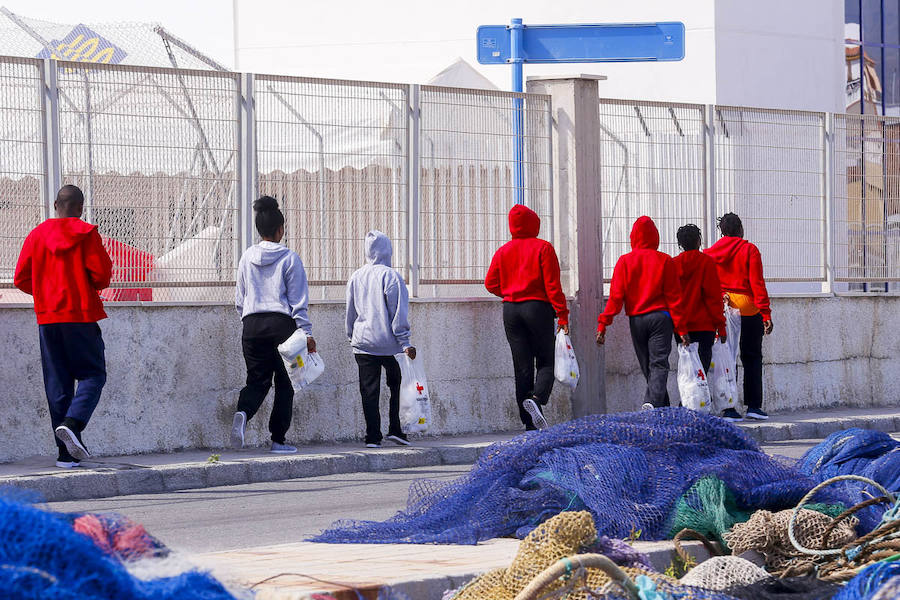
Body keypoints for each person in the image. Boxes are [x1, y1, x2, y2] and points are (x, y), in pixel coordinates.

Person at [14, 185, 113, 468]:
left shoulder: (36, 235)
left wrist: (46, 293)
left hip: (48, 319)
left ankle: (66, 455)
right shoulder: (87, 234)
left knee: (57, 384)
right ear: (80, 208)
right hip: (80, 316)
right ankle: (73, 423)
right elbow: (102, 276)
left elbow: (21, 278)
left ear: (55, 205)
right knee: (93, 375)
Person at [232, 196, 314, 454]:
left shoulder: (246, 257)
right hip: (281, 325)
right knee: (286, 382)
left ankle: (243, 412)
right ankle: (278, 440)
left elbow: (240, 299)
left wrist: (249, 321)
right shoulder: (290, 258)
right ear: (280, 230)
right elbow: (298, 301)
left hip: (252, 324)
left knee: (257, 380)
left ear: (259, 229)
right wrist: (306, 333)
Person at [485, 204, 568, 431]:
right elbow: (553, 286)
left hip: (511, 310)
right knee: (546, 360)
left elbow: (490, 283)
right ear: (534, 223)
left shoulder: (503, 251)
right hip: (537, 308)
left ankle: (528, 422)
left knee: (521, 366)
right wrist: (562, 315)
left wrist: (509, 293)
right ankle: (537, 399)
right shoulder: (543, 248)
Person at [596, 216, 686, 410]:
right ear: (656, 236)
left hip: (637, 320)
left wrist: (603, 324)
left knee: (648, 366)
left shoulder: (624, 262)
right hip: (661, 319)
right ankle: (655, 405)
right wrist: (681, 329)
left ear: (633, 237)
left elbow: (615, 298)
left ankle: (657, 408)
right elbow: (674, 298)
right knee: (658, 365)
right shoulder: (665, 260)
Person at [346, 230, 415, 448]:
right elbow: (398, 313)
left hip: (363, 343)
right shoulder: (391, 277)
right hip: (389, 345)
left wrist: (351, 335)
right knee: (397, 385)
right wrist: (405, 342)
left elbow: (350, 311)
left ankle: (373, 437)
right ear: (388, 250)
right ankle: (396, 429)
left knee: (369, 390)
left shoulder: (356, 276)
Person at [705, 213, 773, 421]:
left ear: (722, 231)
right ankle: (753, 406)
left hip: (725, 309)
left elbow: (708, 283)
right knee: (752, 357)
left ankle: (729, 408)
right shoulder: (750, 250)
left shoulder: (709, 253)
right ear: (740, 229)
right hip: (749, 308)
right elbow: (757, 283)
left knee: (727, 358)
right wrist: (766, 313)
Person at [673, 224, 736, 419]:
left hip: (682, 327)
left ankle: (686, 405)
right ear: (699, 241)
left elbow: (672, 298)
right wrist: (721, 327)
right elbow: (713, 297)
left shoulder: (673, 264)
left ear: (680, 244)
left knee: (687, 369)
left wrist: (679, 326)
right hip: (705, 326)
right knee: (702, 369)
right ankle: (698, 409)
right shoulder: (707, 263)